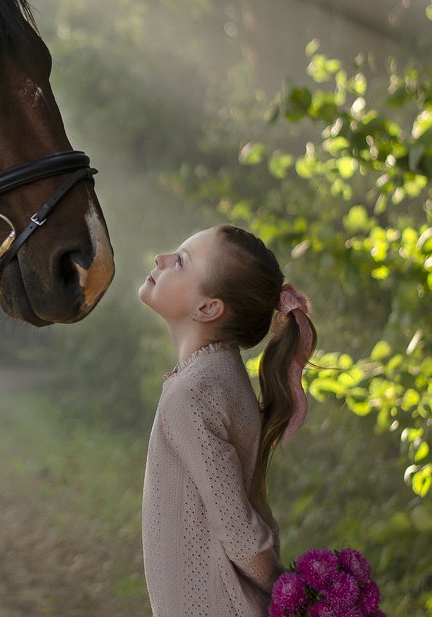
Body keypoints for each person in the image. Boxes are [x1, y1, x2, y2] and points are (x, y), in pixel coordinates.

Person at [137, 224, 317, 616]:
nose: (161, 260)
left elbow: (237, 527)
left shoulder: (193, 394)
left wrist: (290, 594)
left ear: (207, 308)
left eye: (180, 261)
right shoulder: (219, 376)